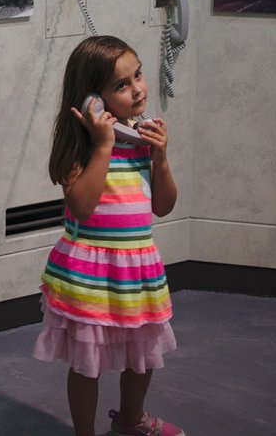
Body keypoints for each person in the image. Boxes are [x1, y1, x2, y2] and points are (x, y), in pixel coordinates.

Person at [34, 35, 184, 436]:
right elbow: (82, 206)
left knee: (143, 355)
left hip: (137, 271)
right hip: (91, 274)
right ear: (91, 101)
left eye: (138, 76)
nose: (137, 89)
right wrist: (102, 147)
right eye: (121, 85)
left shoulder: (142, 140)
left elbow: (164, 206)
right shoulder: (80, 147)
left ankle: (132, 419)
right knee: (87, 362)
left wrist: (162, 159)